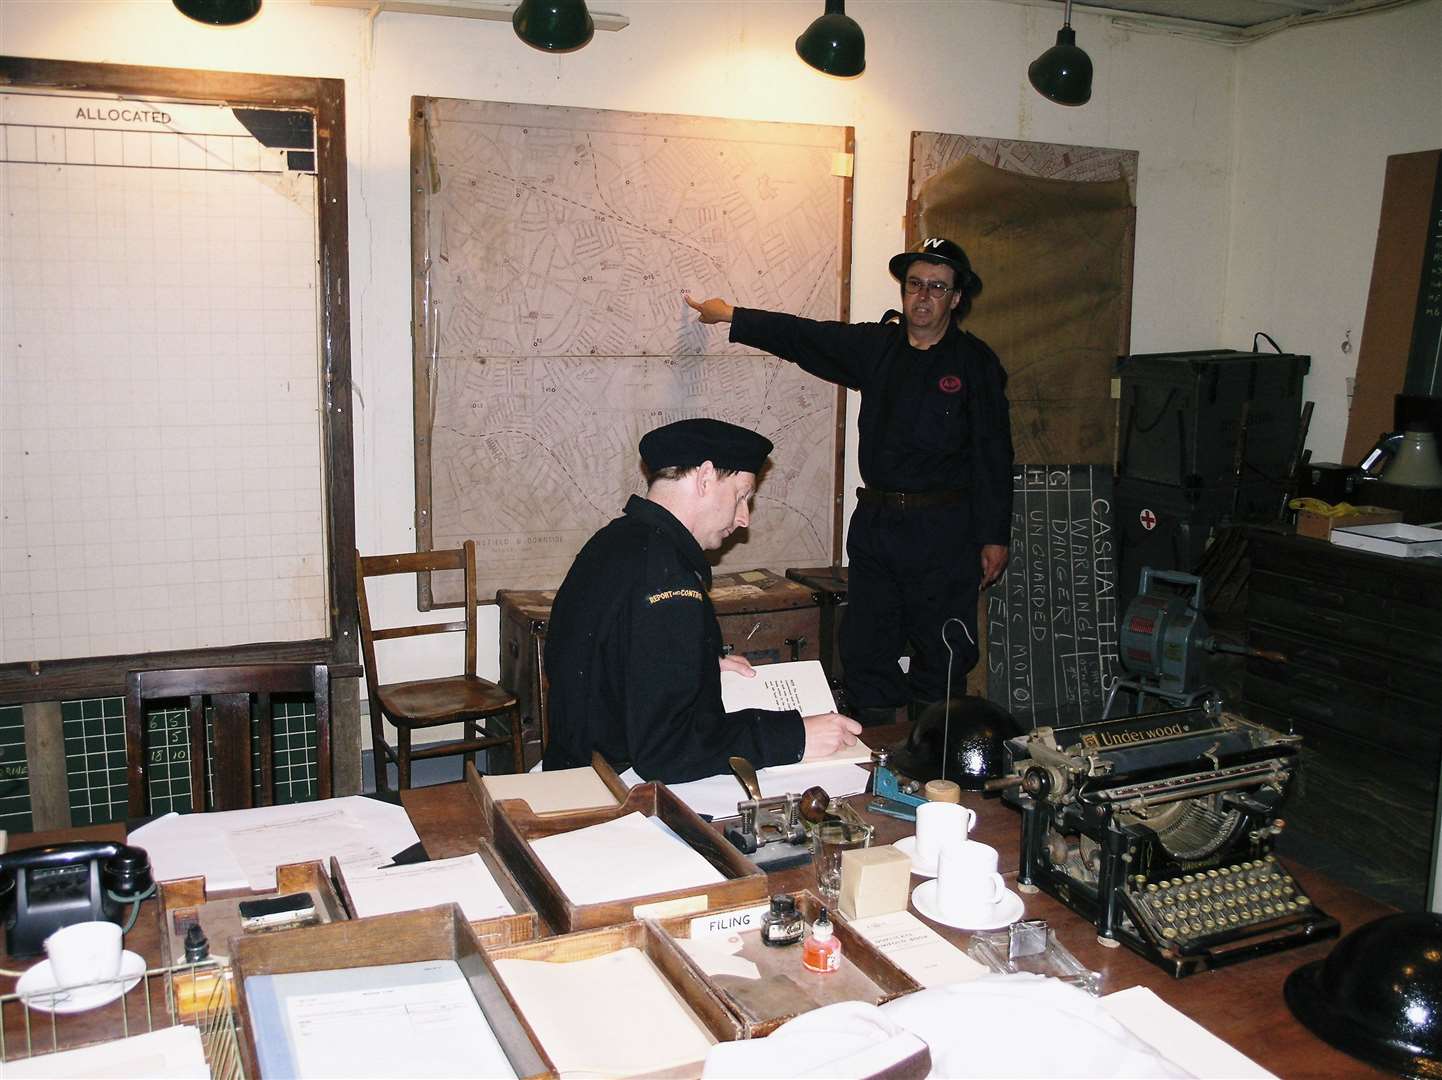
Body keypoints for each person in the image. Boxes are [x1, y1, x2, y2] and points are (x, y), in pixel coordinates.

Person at [686, 237, 1012, 727]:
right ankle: (874, 756)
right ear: (904, 291)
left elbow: (994, 454)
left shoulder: (975, 364)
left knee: (943, 649)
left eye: (937, 288)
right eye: (915, 285)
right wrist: (732, 315)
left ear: (956, 298)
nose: (923, 297)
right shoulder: (876, 349)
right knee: (866, 646)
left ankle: (935, 762)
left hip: (945, 529)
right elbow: (806, 337)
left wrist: (994, 535)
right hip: (879, 524)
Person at [541, 417, 862, 783]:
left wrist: (694, 666)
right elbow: (667, 752)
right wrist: (796, 735)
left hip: (573, 769)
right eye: (742, 496)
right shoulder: (667, 577)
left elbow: (608, 660)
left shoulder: (615, 541)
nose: (743, 518)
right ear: (705, 477)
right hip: (615, 792)